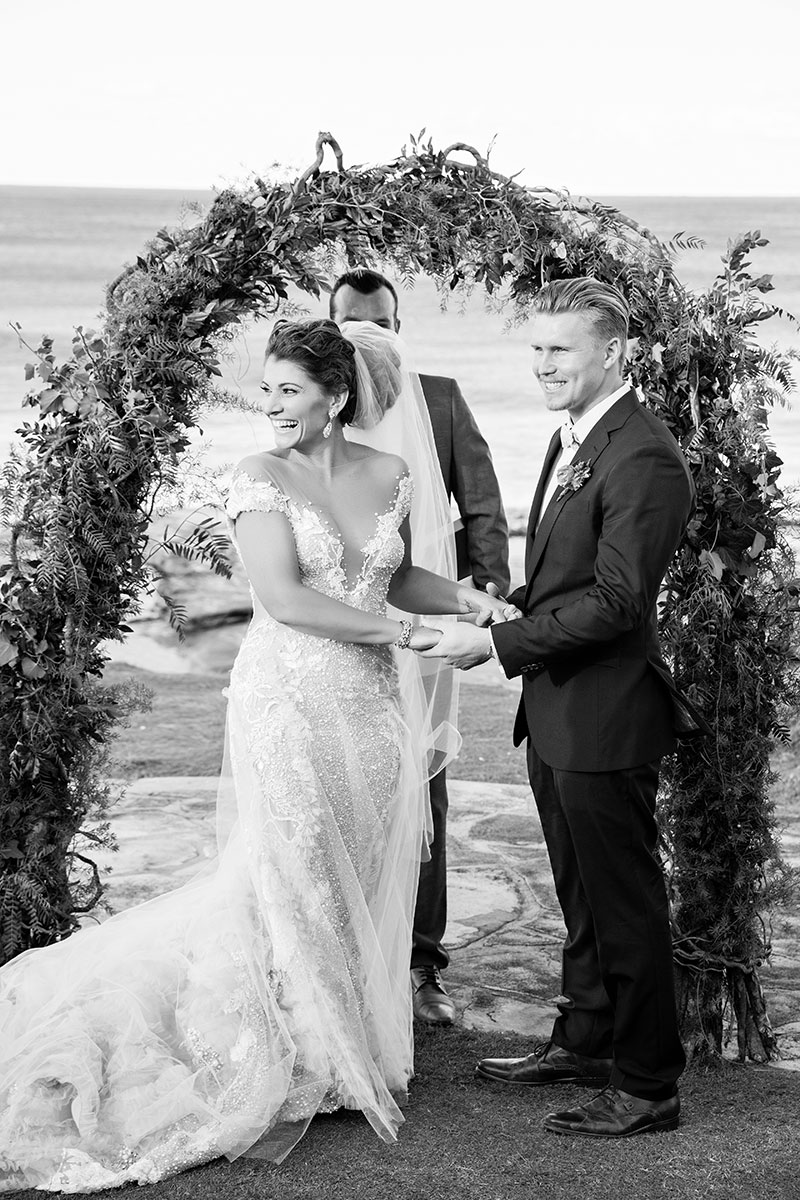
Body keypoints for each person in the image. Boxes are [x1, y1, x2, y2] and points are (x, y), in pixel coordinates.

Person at [0, 319, 511, 1192]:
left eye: (287, 390)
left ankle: (339, 1033)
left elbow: (384, 574)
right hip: (289, 698)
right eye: (265, 389)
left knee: (354, 861)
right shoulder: (257, 479)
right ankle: (292, 1047)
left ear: (336, 396)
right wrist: (417, 632)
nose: (269, 405)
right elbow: (288, 599)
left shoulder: (390, 474)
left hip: (372, 708)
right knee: (292, 864)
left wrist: (462, 593)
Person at [421, 278, 705, 1138]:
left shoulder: (641, 453)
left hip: (607, 715)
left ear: (613, 354)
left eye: (560, 350)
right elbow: (567, 570)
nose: (543, 365)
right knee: (581, 893)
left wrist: (499, 647)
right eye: (536, 349)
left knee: (624, 905)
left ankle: (649, 1083)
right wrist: (510, 608)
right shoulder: (575, 434)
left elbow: (619, 601)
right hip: (559, 708)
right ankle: (585, 1038)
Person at [330, 268, 510, 1025]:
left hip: (425, 618)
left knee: (423, 783)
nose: (368, 336)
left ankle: (420, 962)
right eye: (350, 323)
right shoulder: (313, 404)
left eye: (381, 323)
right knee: (335, 779)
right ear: (329, 326)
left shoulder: (437, 396)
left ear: (401, 327)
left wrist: (489, 599)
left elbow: (481, 501)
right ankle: (338, 950)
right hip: (337, 622)